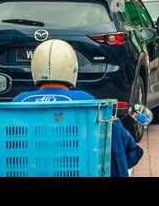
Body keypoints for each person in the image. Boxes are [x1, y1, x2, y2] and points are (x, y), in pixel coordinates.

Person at [13, 39, 144, 178]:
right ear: (72, 69)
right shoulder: (85, 100)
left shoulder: (20, 100)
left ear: (35, 69)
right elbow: (129, 152)